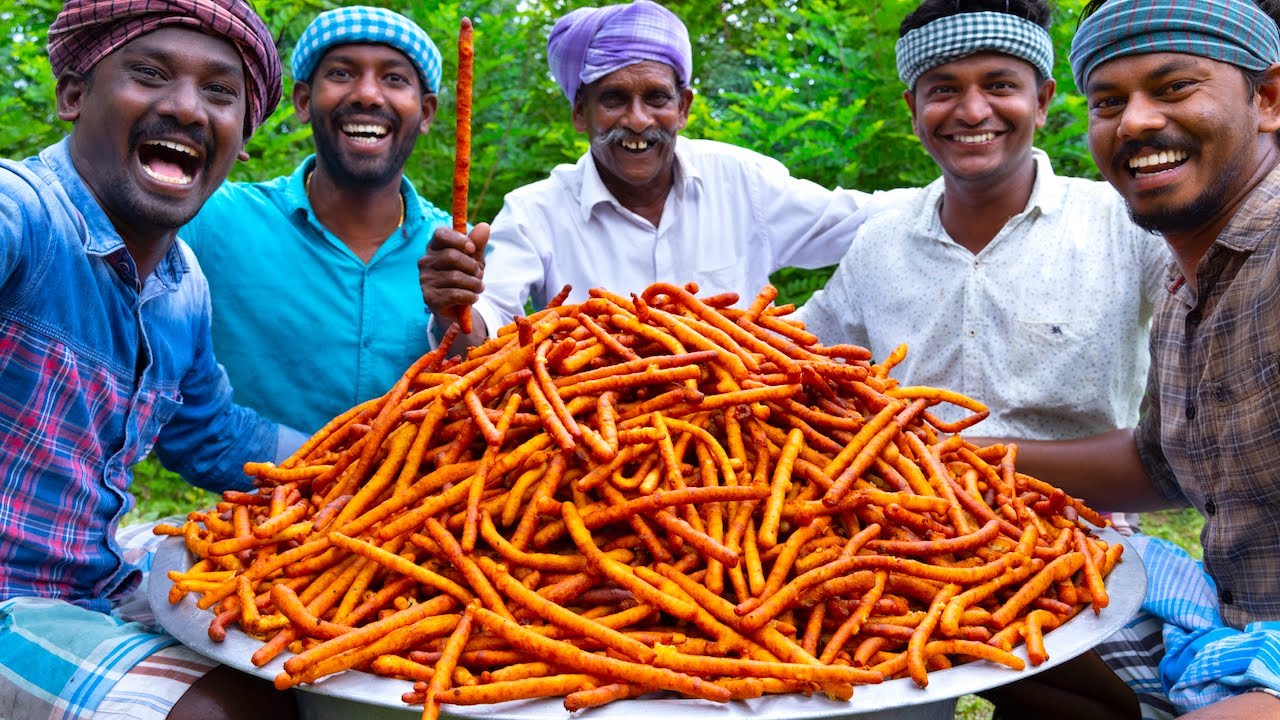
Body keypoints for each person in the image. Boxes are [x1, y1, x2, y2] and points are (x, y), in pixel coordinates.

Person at [0, 1, 306, 717]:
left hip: (94, 570)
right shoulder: (26, 212)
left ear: (241, 135)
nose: (187, 108)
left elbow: (213, 434)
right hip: (11, 594)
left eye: (220, 91)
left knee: (304, 638)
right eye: (149, 73)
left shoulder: (182, 282)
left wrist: (369, 469)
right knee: (230, 710)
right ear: (75, 94)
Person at [986, 0, 1280, 717]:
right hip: (1228, 621)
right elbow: (1159, 464)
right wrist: (949, 455)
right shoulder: (1186, 287)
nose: (1136, 122)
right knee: (983, 610)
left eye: (1175, 87)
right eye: (1108, 101)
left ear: (1269, 99)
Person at [796, 0, 1164, 536]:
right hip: (904, 543)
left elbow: (1174, 452)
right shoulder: (878, 245)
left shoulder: (1127, 225)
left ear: (1041, 102)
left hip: (1085, 542)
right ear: (913, 109)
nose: (972, 111)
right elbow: (796, 358)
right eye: (943, 89)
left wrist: (959, 453)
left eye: (999, 86)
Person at [418, 0, 906, 350]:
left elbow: (865, 220)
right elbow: (482, 334)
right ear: (580, 113)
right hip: (593, 453)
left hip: (743, 442)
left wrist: (973, 186)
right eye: (613, 99)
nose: (637, 120)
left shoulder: (742, 180)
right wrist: (451, 311)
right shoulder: (535, 212)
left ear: (684, 107)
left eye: (656, 97)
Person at [181, 6, 453, 434]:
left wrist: (455, 319)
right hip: (248, 496)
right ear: (304, 102)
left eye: (394, 78)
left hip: (424, 500)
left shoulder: (460, 251)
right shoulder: (210, 221)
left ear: (427, 112)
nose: (367, 95)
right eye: (342, 74)